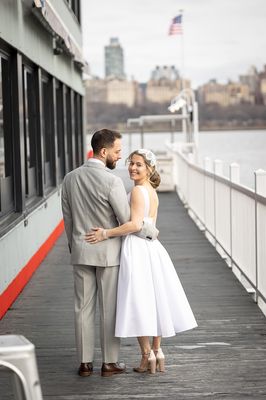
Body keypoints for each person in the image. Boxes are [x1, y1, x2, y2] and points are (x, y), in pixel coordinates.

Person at [85, 148, 198, 374]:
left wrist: (105, 233)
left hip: (136, 248)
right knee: (155, 299)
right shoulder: (151, 190)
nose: (132, 168)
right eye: (131, 163)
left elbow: (135, 225)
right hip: (151, 248)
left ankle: (146, 356)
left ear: (149, 168)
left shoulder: (137, 191)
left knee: (138, 300)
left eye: (138, 164)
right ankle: (158, 352)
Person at [61, 130, 158, 378]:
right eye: (117, 152)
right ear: (104, 152)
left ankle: (84, 364)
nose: (119, 156)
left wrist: (76, 248)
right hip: (109, 255)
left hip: (81, 251)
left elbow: (68, 219)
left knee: (82, 309)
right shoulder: (111, 181)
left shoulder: (70, 179)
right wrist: (151, 231)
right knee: (109, 309)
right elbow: (127, 220)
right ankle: (109, 363)